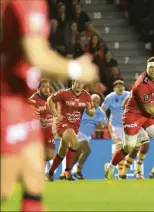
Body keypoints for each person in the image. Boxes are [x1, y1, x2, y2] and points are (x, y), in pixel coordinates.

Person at [1, 0, 98, 211]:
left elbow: (35, 54)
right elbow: (36, 55)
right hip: (7, 99)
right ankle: (66, 171)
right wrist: (75, 69)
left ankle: (63, 172)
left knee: (34, 181)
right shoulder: (26, 3)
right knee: (4, 188)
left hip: (19, 98)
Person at [104, 57, 154, 183]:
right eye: (150, 67)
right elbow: (147, 107)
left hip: (149, 115)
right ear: (146, 68)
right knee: (129, 147)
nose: (153, 70)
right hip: (133, 114)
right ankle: (110, 167)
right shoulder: (141, 84)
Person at [46, 80, 95, 181]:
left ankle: (50, 172)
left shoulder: (87, 96)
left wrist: (89, 110)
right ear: (73, 83)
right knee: (74, 143)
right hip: (62, 124)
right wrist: (55, 114)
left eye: (81, 83)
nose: (79, 85)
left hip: (75, 126)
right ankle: (67, 171)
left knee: (62, 150)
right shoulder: (64, 93)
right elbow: (50, 99)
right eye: (77, 82)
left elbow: (91, 113)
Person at [102, 80, 149, 179]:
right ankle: (120, 173)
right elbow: (102, 111)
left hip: (132, 123)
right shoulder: (110, 97)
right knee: (120, 147)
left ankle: (130, 171)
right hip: (117, 126)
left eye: (122, 86)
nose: (120, 88)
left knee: (144, 144)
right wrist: (107, 124)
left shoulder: (129, 94)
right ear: (114, 88)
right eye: (118, 86)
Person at [60, 94, 107, 179]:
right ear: (89, 100)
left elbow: (103, 125)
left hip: (87, 136)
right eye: (93, 100)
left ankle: (65, 172)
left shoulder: (100, 112)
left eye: (98, 101)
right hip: (78, 133)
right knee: (87, 150)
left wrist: (101, 125)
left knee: (77, 155)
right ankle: (77, 170)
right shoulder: (83, 108)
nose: (95, 103)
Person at [29, 79, 55, 164]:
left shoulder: (51, 99)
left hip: (49, 132)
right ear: (38, 88)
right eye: (43, 87)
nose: (46, 89)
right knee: (40, 155)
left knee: (49, 156)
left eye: (47, 87)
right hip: (38, 133)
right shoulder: (33, 100)